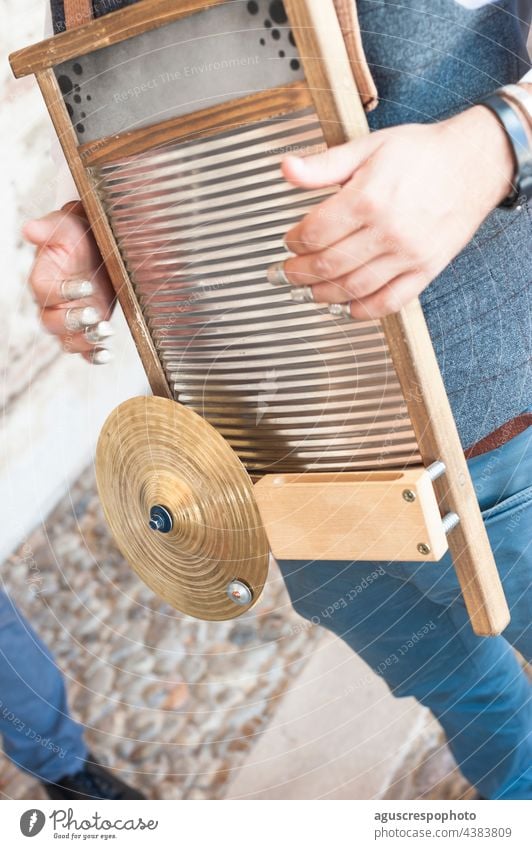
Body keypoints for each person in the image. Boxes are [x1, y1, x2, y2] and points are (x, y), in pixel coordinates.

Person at [24, 0, 531, 800]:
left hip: (508, 433)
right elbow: (167, 134)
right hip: (292, 486)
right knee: (475, 708)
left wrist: (499, 145)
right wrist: (103, 236)